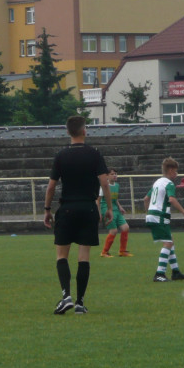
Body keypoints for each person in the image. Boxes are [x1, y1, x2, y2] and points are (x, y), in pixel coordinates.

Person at [44, 115, 112, 315]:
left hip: (66, 209)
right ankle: (80, 303)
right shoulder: (94, 154)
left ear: (68, 132)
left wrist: (47, 210)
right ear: (85, 131)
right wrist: (108, 207)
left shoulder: (61, 155)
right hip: (88, 208)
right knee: (84, 257)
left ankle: (66, 296)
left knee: (61, 255)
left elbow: (50, 187)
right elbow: (105, 183)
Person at [144, 157, 184, 282]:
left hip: (153, 214)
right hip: (160, 215)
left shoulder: (157, 182)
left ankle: (175, 272)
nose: (176, 174)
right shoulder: (169, 183)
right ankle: (159, 274)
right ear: (170, 170)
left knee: (170, 241)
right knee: (168, 243)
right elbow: (171, 199)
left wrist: (149, 213)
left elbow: (146, 199)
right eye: (175, 171)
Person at [98, 168, 132, 257]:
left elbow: (115, 199)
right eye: (112, 174)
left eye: (116, 174)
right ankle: (104, 252)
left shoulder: (117, 185)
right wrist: (99, 212)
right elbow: (98, 200)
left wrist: (120, 207)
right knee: (114, 230)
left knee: (125, 227)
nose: (115, 175)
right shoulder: (104, 186)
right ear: (107, 176)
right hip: (106, 209)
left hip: (116, 209)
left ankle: (122, 251)